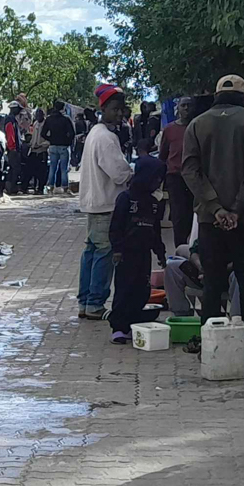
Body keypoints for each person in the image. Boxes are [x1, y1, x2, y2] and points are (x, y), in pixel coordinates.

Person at [180, 74, 244, 352]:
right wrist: (237, 209)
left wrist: (216, 208)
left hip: (210, 219)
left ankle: (210, 343)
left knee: (212, 281)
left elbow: (190, 171)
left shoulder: (197, 124)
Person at [75, 88, 133, 320]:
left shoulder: (95, 133)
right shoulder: (107, 138)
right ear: (103, 109)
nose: (119, 114)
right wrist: (133, 173)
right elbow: (119, 174)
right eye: (115, 109)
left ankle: (85, 302)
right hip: (107, 205)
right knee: (104, 254)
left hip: (94, 203)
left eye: (121, 109)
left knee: (91, 252)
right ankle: (95, 304)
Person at [108, 154, 173, 342]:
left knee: (142, 291)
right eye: (155, 179)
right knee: (124, 289)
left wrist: (160, 253)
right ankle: (118, 327)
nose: (158, 183)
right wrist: (117, 249)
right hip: (126, 254)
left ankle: (133, 323)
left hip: (144, 254)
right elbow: (115, 226)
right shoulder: (126, 199)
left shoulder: (154, 203)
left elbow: (155, 231)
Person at [161, 99, 195, 248]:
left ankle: (193, 248)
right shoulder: (169, 129)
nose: (186, 108)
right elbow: (163, 155)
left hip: (194, 176)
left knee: (193, 214)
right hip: (175, 177)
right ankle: (180, 250)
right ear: (178, 108)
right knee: (178, 215)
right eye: (183, 105)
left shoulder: (197, 127)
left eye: (189, 105)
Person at [43, 100, 75, 192]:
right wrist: (67, 142)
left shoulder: (49, 119)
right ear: (63, 108)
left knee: (52, 167)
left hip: (53, 145)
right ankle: (64, 187)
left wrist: (51, 139)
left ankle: (50, 186)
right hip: (63, 146)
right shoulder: (66, 119)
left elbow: (43, 133)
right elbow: (72, 133)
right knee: (64, 168)